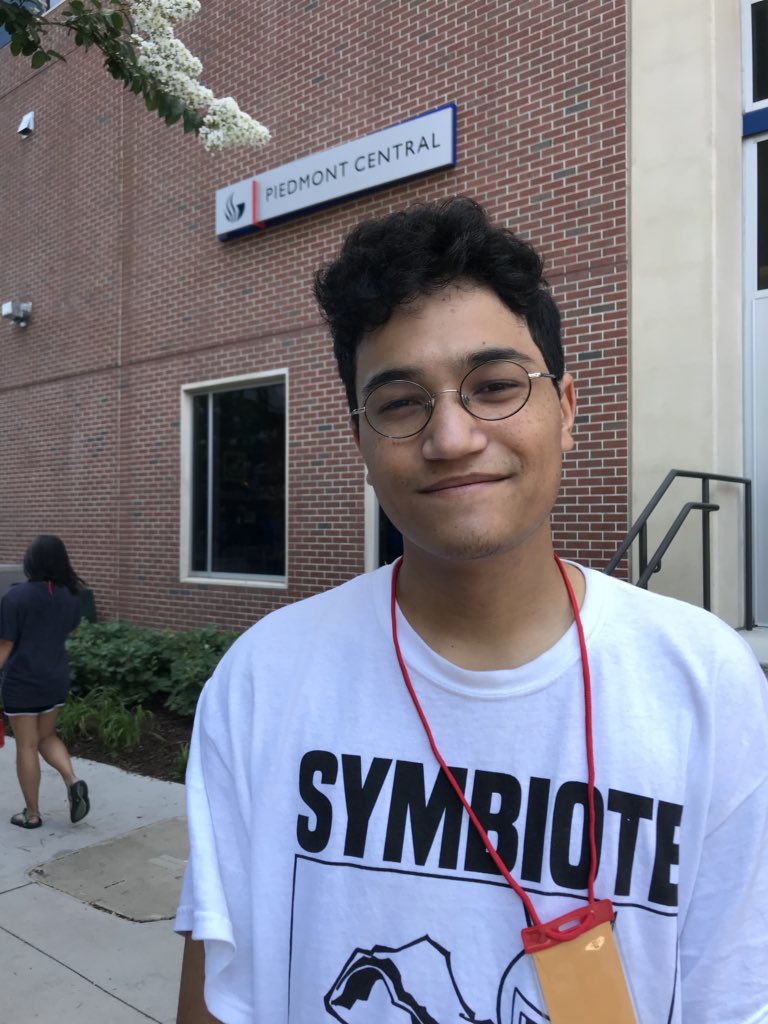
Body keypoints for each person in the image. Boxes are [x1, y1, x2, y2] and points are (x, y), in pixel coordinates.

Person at [174, 198, 768, 1023]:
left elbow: (735, 995)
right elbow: (218, 997)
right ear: (361, 443)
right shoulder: (264, 681)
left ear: (565, 410)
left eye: (493, 386)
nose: (451, 437)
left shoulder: (706, 683)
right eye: (400, 402)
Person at [0, 534, 90, 829]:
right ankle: (72, 779)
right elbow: (71, 630)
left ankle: (32, 813)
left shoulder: (15, 597)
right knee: (46, 736)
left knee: (26, 744)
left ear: (31, 561)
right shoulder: (71, 595)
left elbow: (5, 646)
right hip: (55, 678)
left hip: (22, 682)